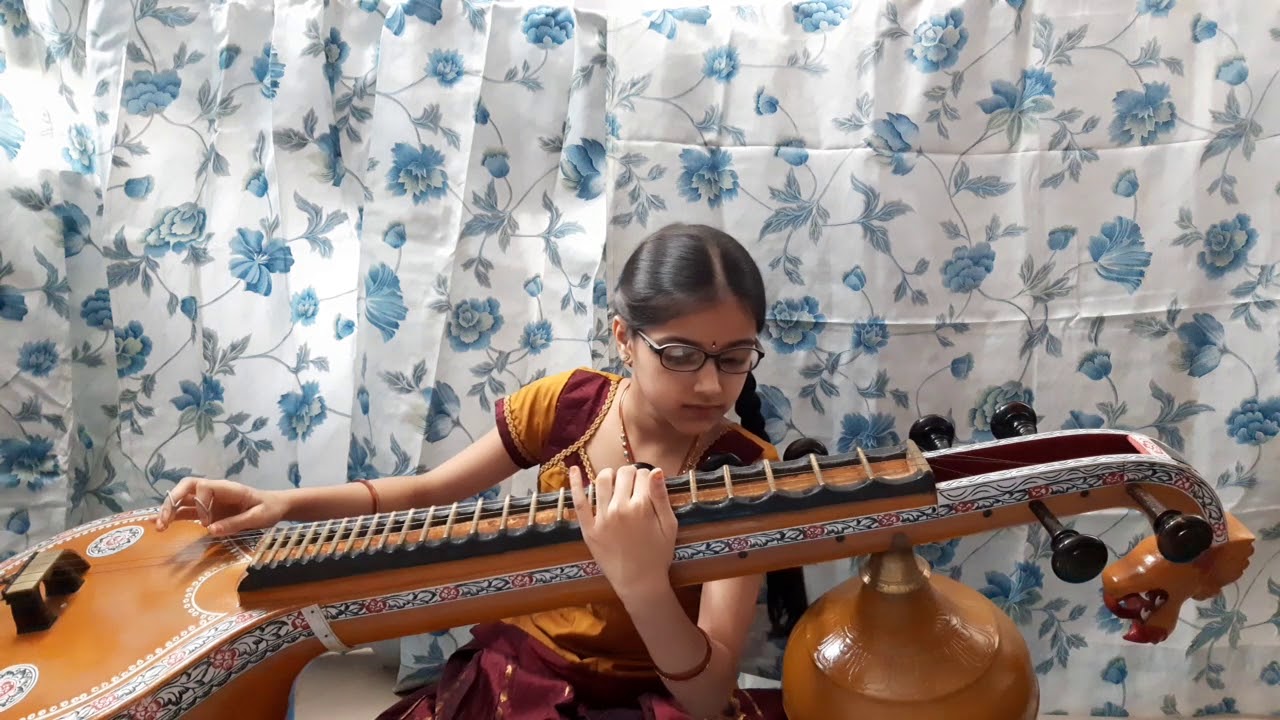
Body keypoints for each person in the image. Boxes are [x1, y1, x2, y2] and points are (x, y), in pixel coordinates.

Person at [155, 223, 809, 720]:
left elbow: (705, 695)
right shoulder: (569, 407)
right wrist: (281, 504)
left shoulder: (744, 471)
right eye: (680, 354)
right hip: (520, 679)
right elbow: (431, 492)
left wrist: (639, 580)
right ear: (623, 338)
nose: (708, 384)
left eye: (733, 358)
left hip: (650, 696)